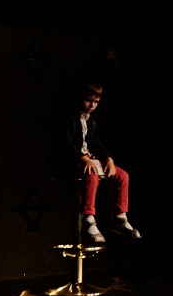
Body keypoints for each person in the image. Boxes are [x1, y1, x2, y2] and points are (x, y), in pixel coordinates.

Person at [48, 79, 142, 244]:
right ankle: (88, 220)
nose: (92, 105)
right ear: (79, 98)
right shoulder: (66, 116)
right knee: (91, 174)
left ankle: (120, 218)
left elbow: (96, 143)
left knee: (123, 176)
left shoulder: (90, 120)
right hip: (69, 160)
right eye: (88, 100)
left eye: (96, 102)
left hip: (88, 160)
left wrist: (108, 159)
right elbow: (65, 143)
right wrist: (84, 158)